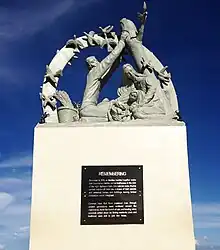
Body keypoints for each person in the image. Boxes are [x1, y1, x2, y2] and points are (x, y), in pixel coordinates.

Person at [80, 31, 130, 119]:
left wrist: (118, 59)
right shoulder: (93, 72)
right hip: (87, 109)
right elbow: (109, 60)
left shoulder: (96, 79)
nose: (97, 62)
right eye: (94, 61)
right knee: (116, 108)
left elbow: (109, 72)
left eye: (95, 60)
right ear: (91, 65)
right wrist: (121, 42)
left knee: (109, 102)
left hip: (91, 108)